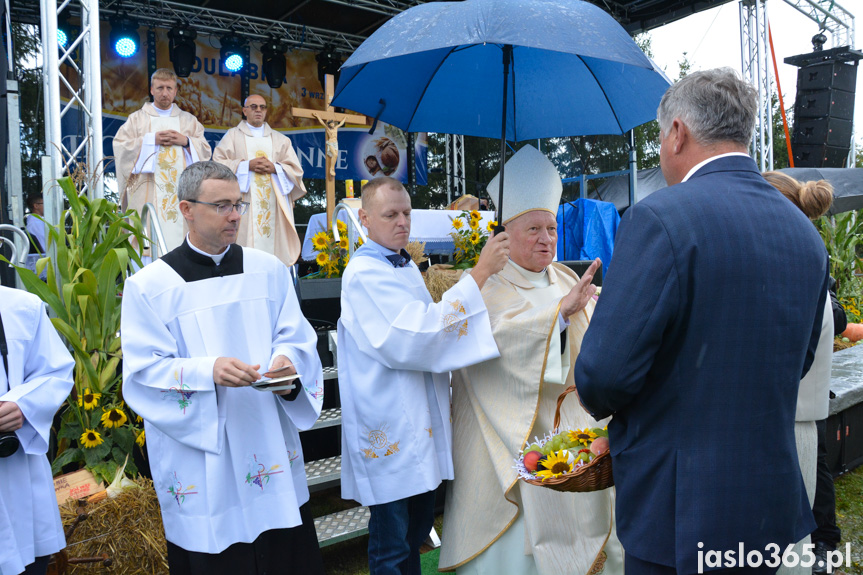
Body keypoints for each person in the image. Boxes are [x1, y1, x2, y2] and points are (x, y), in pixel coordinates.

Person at [573, 68, 830, 575]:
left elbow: (603, 375)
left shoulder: (661, 217)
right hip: (765, 500)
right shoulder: (803, 233)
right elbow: (797, 358)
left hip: (680, 507)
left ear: (677, 134)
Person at [121, 161, 325, 575]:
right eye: (222, 206)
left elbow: (297, 336)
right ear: (186, 209)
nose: (235, 215)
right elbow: (143, 373)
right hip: (202, 453)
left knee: (283, 549)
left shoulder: (268, 270)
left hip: (265, 434)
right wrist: (207, 371)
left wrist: (287, 365)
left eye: (238, 204)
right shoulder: (149, 286)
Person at [439, 145, 623, 575]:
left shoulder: (565, 276)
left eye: (552, 228)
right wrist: (559, 314)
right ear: (505, 235)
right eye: (534, 229)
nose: (547, 239)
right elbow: (496, 342)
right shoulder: (488, 283)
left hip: (568, 437)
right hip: (504, 437)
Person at [337, 176, 511, 575]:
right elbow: (415, 335)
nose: (402, 222)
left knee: (415, 532)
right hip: (391, 423)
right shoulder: (365, 273)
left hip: (416, 416)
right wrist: (479, 273)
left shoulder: (403, 265)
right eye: (390, 214)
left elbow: (432, 329)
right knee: (392, 542)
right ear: (364, 218)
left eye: (406, 213)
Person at [762, 172, 842, 575]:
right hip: (802, 420)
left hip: (784, 424)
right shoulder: (808, 265)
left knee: (778, 540)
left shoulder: (788, 276)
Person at [0, 286, 75, 575]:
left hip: (16, 477)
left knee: (27, 560)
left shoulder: (22, 307)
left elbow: (55, 372)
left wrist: (22, 405)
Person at [113, 68, 211, 252]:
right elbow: (120, 147)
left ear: (175, 91)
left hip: (181, 192)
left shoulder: (189, 121)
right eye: (159, 88)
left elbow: (205, 151)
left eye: (169, 88)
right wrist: (151, 141)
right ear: (151, 90)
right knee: (149, 246)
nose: (164, 93)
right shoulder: (137, 119)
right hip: (147, 192)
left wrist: (187, 142)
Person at [213, 94, 307, 267]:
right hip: (244, 201)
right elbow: (218, 162)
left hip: (274, 204)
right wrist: (246, 166)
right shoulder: (233, 136)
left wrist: (276, 168)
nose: (258, 110)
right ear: (244, 110)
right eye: (254, 107)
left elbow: (295, 170)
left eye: (262, 107)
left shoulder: (280, 140)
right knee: (245, 255)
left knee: (274, 258)